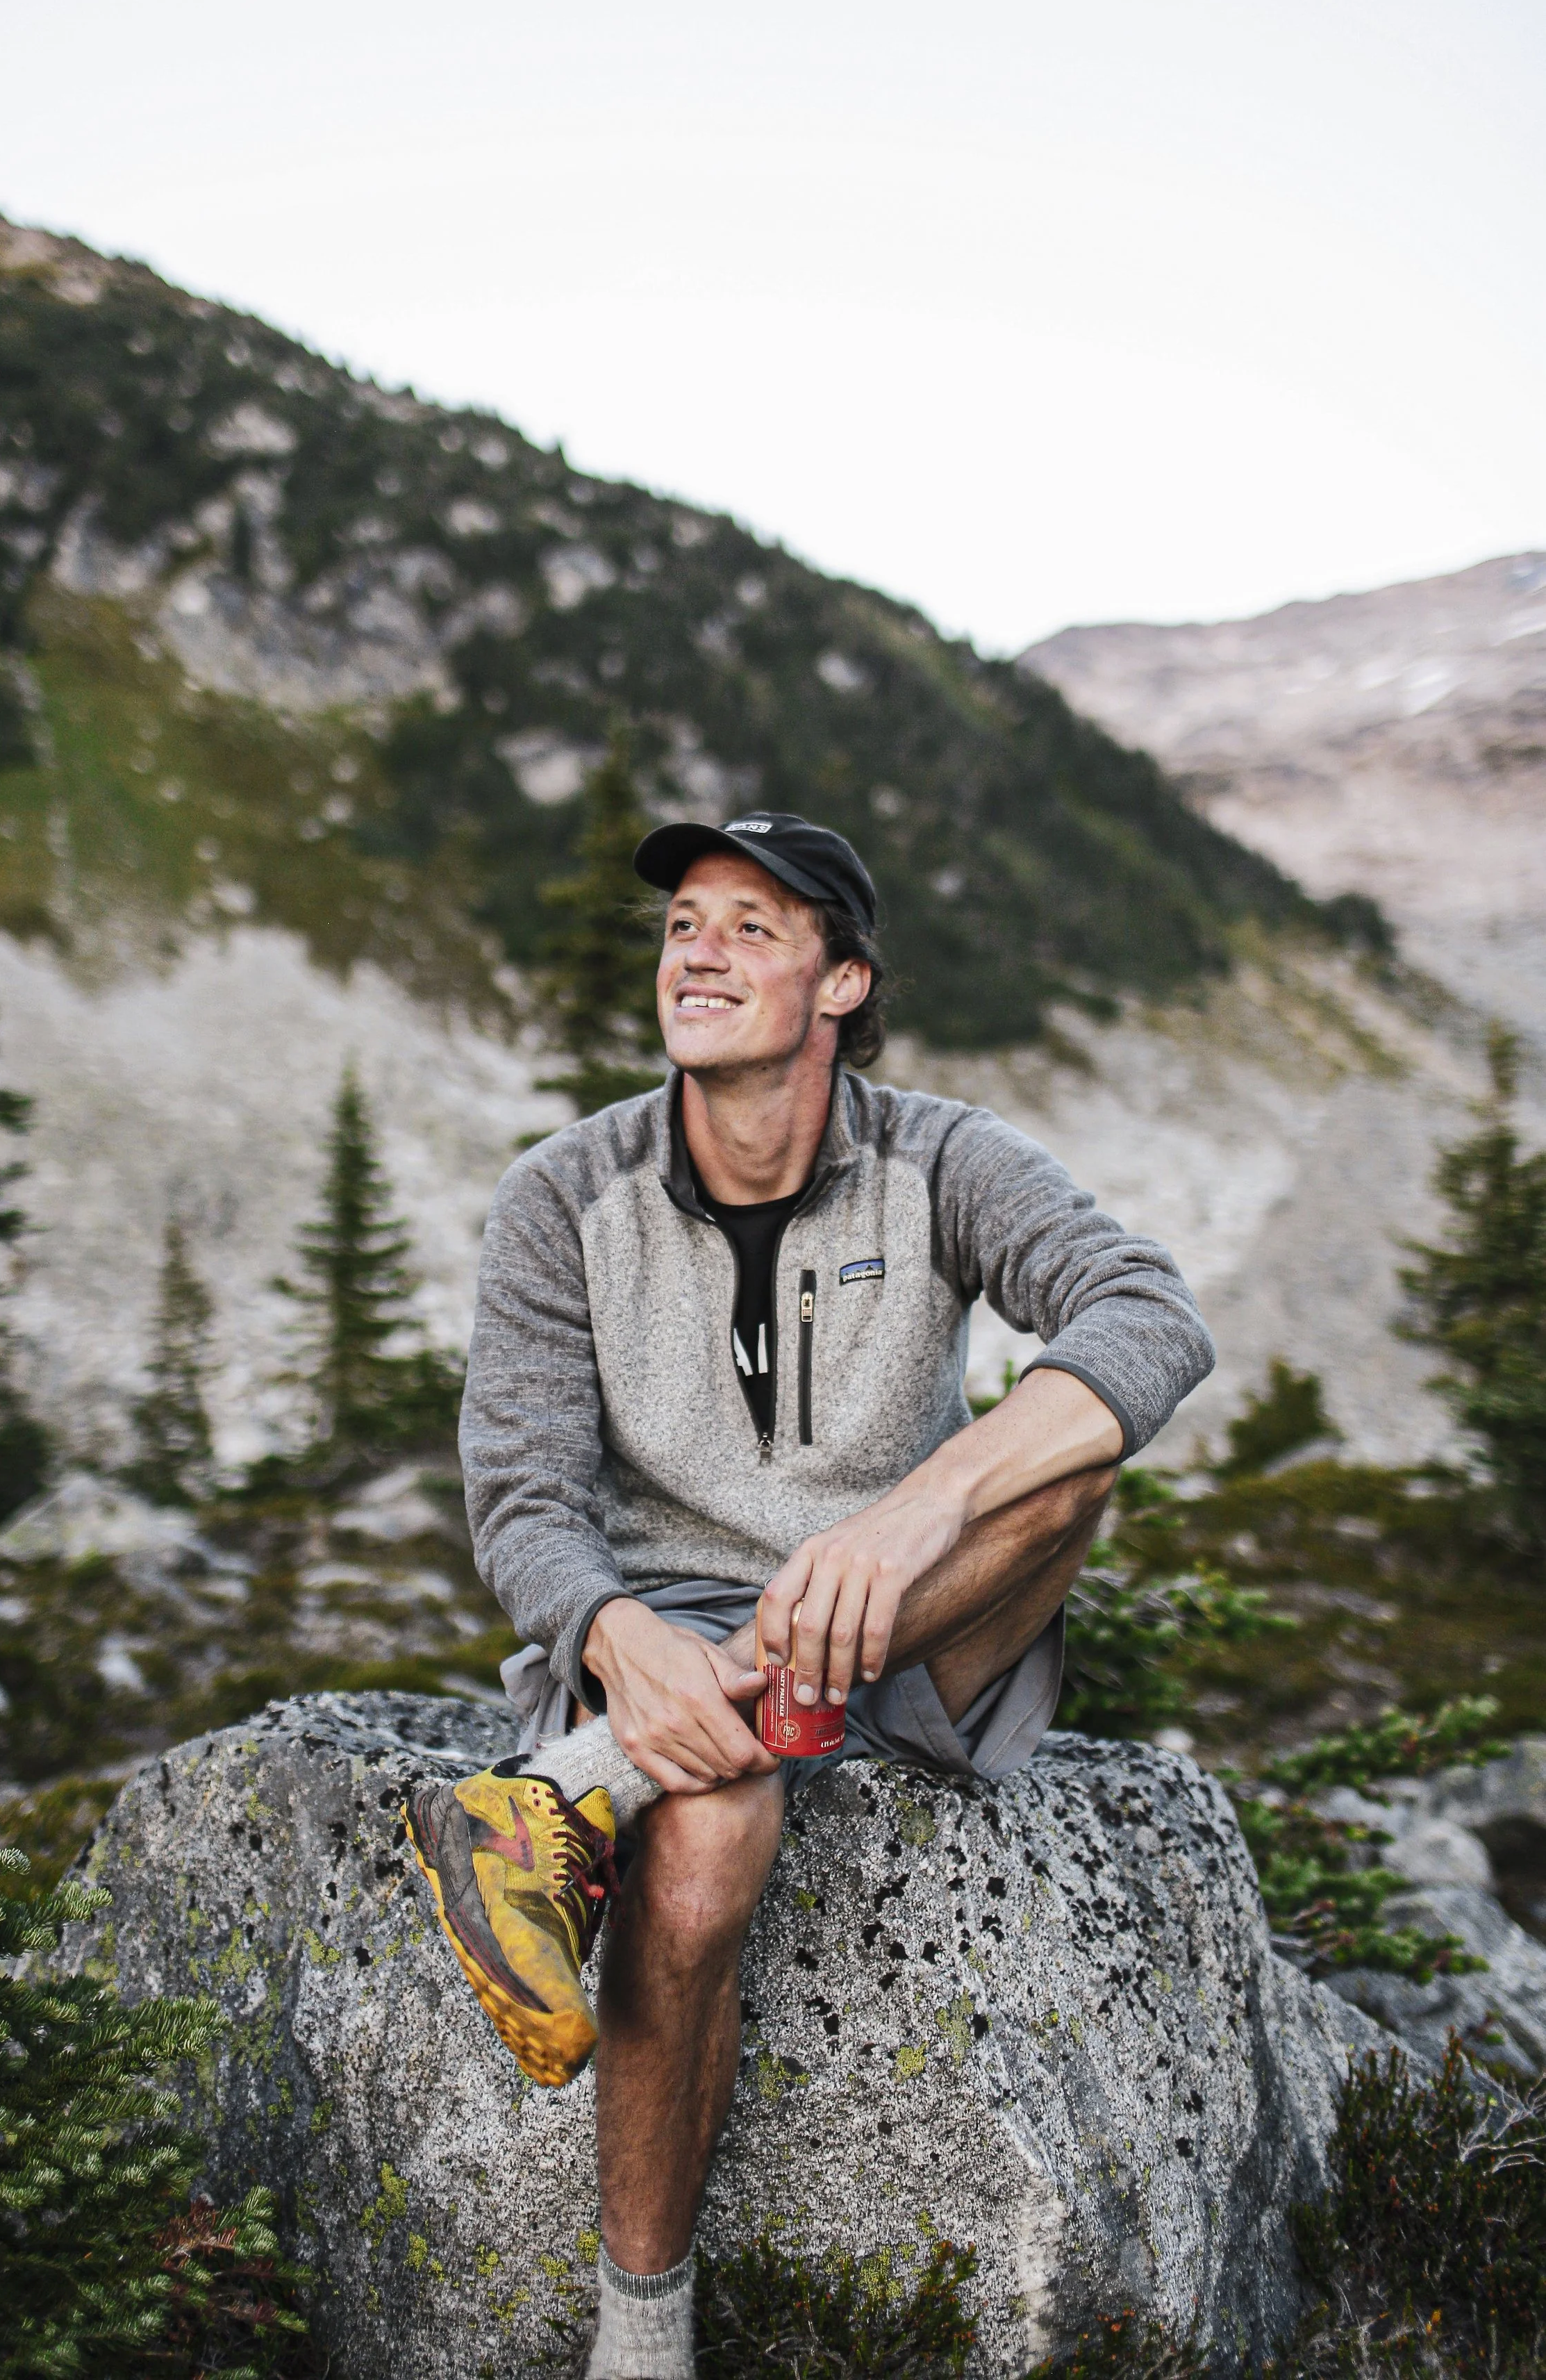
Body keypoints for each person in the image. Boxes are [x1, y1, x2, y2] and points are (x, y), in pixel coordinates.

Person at [407, 810, 1213, 2380]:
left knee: (1060, 1466)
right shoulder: (561, 1194)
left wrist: (915, 1511)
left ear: (842, 982)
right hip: (670, 1621)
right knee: (699, 1865)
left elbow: (1146, 1315)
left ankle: (567, 1794)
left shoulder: (944, 1159)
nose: (696, 948)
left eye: (750, 926)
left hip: (920, 1613)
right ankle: (640, 2334)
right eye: (680, 924)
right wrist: (613, 1637)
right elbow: (519, 1497)